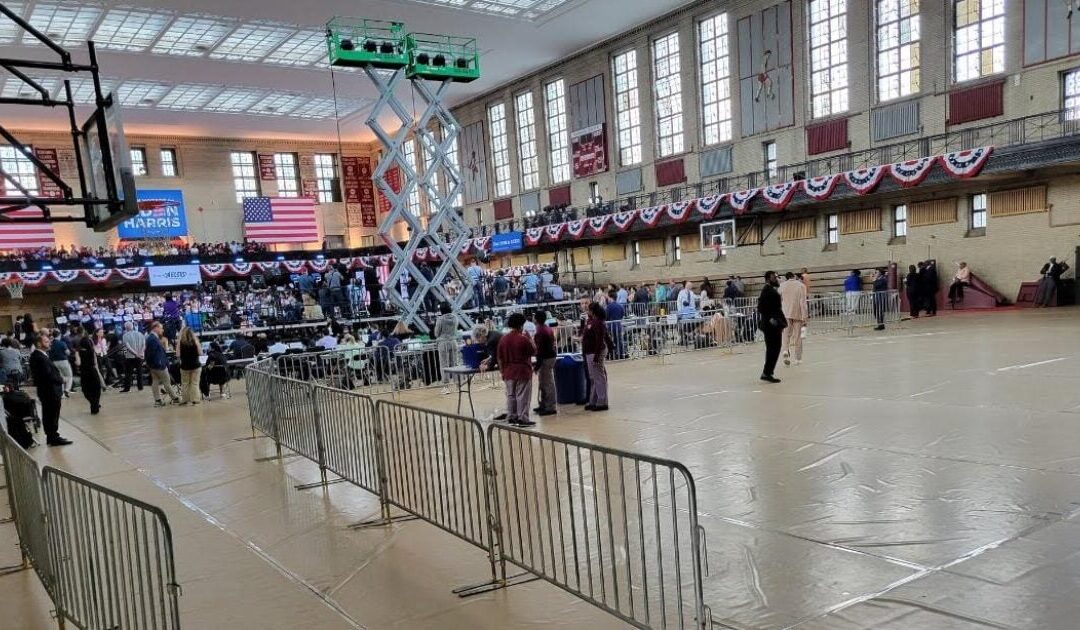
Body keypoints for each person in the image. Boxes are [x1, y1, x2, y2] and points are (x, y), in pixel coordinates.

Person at [28, 332, 71, 446]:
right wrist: (61, 379)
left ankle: (52, 436)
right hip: (49, 391)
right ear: (38, 343)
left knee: (51, 414)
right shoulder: (38, 357)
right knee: (51, 414)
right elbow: (47, 375)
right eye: (46, 342)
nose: (49, 343)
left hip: (49, 390)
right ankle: (53, 437)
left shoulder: (41, 355)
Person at [494, 313, 536, 427]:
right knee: (522, 396)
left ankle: (512, 416)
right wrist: (529, 338)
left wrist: (502, 372)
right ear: (521, 325)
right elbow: (533, 351)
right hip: (522, 371)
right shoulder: (523, 338)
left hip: (508, 371)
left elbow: (500, 358)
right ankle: (522, 419)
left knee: (511, 396)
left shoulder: (503, 339)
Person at [757, 271, 786, 384]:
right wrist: (771, 319)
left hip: (774, 324)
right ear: (768, 279)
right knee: (772, 348)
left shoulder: (771, 290)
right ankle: (767, 372)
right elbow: (761, 308)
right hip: (770, 325)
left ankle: (768, 372)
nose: (776, 279)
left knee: (775, 348)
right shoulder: (766, 291)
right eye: (774, 278)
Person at [581, 302, 609, 411]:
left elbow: (599, 340)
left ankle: (602, 401)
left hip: (594, 352)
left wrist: (596, 356)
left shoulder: (598, 323)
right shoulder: (592, 321)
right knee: (593, 378)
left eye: (588, 310)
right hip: (590, 352)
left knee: (599, 378)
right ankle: (594, 400)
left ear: (592, 311)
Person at [146, 321, 179, 407]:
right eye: (161, 328)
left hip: (154, 365)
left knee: (155, 381)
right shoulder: (152, 339)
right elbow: (152, 353)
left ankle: (158, 400)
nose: (162, 330)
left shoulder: (151, 338)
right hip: (159, 364)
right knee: (167, 382)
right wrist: (159, 362)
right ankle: (175, 398)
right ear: (156, 328)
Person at [778, 272, 808, 366]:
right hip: (797, 313)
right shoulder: (801, 286)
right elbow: (803, 302)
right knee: (798, 336)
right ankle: (798, 358)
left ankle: (785, 350)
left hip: (785, 313)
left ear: (786, 278)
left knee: (786, 335)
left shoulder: (782, 286)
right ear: (794, 277)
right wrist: (805, 317)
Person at [532, 311, 557, 416]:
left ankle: (550, 407)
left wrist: (537, 365)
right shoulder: (546, 328)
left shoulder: (540, 331)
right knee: (544, 382)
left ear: (536, 319)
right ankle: (544, 404)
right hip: (549, 356)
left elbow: (540, 350)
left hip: (546, 358)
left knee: (547, 383)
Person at [76, 325, 102, 414]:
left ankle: (93, 403)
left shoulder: (79, 347)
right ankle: (95, 403)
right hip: (91, 369)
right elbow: (93, 355)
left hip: (84, 370)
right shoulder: (89, 345)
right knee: (96, 387)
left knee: (86, 388)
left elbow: (78, 361)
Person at [434, 302, 459, 395]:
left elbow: (436, 333)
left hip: (443, 343)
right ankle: (458, 385)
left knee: (444, 365)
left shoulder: (440, 319)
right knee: (455, 364)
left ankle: (446, 387)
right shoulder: (455, 318)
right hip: (453, 342)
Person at [178, 327, 202, 405]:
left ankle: (185, 400)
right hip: (196, 365)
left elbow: (177, 354)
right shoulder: (195, 342)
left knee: (185, 384)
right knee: (194, 383)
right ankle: (195, 399)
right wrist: (196, 341)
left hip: (185, 366)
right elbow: (200, 353)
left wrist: (179, 339)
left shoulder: (181, 342)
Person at [121, 321, 145, 392]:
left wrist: (135, 353)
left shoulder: (125, 335)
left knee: (128, 373)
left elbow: (127, 347)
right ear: (133, 326)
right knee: (139, 372)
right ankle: (140, 387)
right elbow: (144, 344)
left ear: (125, 328)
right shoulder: (140, 334)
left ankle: (127, 388)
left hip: (129, 356)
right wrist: (141, 353)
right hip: (140, 356)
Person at [48, 330, 73, 396]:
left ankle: (61, 393)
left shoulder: (51, 344)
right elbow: (68, 352)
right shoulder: (62, 343)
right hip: (63, 361)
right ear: (59, 335)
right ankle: (67, 390)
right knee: (69, 376)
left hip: (54, 362)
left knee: (60, 377)